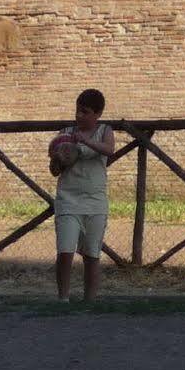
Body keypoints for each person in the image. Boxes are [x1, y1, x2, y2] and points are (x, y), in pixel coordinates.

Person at [48, 86, 118, 302]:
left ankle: (90, 301)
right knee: (65, 252)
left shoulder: (104, 130)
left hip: (95, 202)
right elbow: (54, 170)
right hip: (68, 200)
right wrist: (60, 157)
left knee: (91, 255)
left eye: (85, 112)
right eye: (77, 110)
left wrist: (84, 142)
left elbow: (109, 150)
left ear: (97, 114)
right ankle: (63, 299)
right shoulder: (65, 134)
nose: (79, 116)